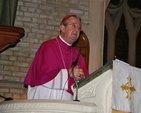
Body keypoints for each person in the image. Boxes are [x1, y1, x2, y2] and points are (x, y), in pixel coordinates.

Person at [24, 14, 89, 100]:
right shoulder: (48, 47)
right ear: (62, 28)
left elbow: (85, 84)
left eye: (79, 28)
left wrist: (80, 77)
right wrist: (69, 73)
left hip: (67, 102)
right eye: (73, 25)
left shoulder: (79, 56)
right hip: (46, 98)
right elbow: (42, 75)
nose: (77, 30)